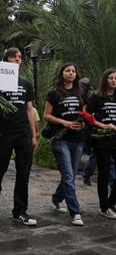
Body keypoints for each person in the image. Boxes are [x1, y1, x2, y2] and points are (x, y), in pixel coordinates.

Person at [0, 47, 38, 226]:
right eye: (14, 57)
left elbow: (30, 109)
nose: (17, 60)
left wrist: (33, 135)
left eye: (19, 57)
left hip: (23, 132)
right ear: (5, 61)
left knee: (24, 171)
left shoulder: (25, 83)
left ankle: (20, 211)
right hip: (4, 131)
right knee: (0, 166)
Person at [43, 63, 86, 226]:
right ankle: (75, 212)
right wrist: (64, 122)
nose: (71, 73)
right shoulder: (54, 93)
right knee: (68, 176)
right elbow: (46, 115)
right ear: (62, 74)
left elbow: (85, 112)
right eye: (68, 70)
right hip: (61, 139)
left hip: (78, 139)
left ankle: (56, 198)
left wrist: (84, 122)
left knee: (71, 176)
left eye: (73, 71)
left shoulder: (80, 92)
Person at [86, 68, 116, 219]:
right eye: (111, 78)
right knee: (103, 174)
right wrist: (105, 126)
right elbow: (88, 117)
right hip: (102, 139)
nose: (113, 81)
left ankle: (111, 202)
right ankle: (105, 207)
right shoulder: (95, 97)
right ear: (105, 80)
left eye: (115, 78)